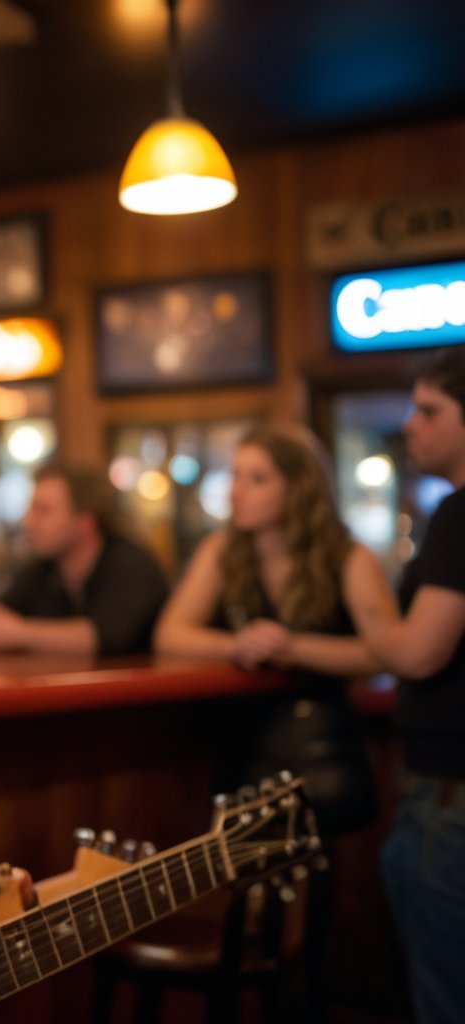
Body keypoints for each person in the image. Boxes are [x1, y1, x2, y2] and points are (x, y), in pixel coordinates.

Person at [154, 423, 396, 835]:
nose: (236, 491)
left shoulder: (350, 557)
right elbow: (169, 635)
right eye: (235, 475)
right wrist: (235, 646)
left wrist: (294, 648)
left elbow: (384, 653)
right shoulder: (223, 549)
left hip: (326, 754)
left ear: (298, 488)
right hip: (242, 752)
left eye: (257, 478)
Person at [354, 349, 465, 1024]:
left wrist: (367, 597)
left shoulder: (459, 514)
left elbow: (419, 654)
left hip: (450, 809)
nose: (410, 425)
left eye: (430, 410)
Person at [0, 461, 168, 656]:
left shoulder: (130, 564)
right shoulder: (44, 568)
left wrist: (19, 633)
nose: (27, 521)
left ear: (84, 523)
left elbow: (102, 637)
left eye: (43, 511)